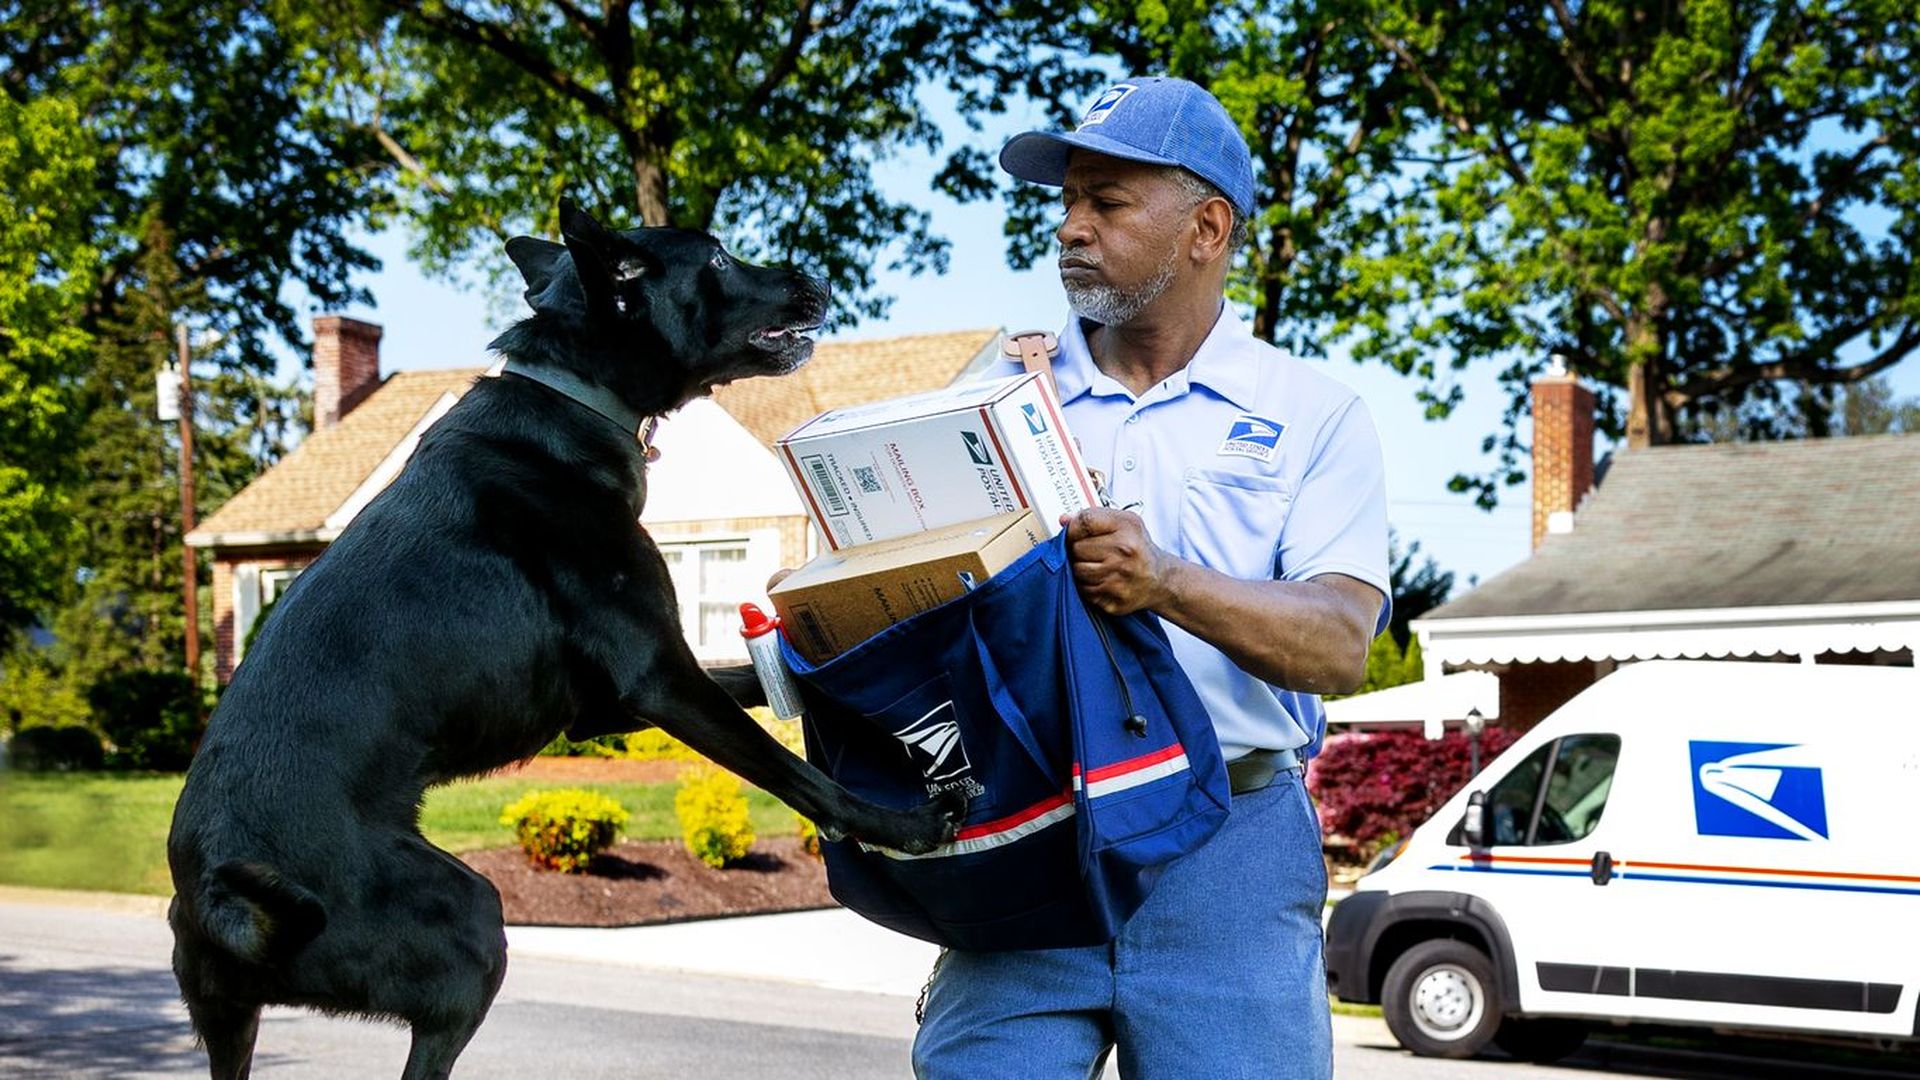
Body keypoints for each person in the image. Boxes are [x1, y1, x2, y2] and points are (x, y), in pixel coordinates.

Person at [910, 75, 1391, 1080]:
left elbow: (1341, 642)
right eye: (1068, 203)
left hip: (1232, 851)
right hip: (1037, 837)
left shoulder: (1314, 414)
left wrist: (1166, 581)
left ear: (1206, 228)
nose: (1072, 228)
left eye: (1108, 203)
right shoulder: (1002, 392)